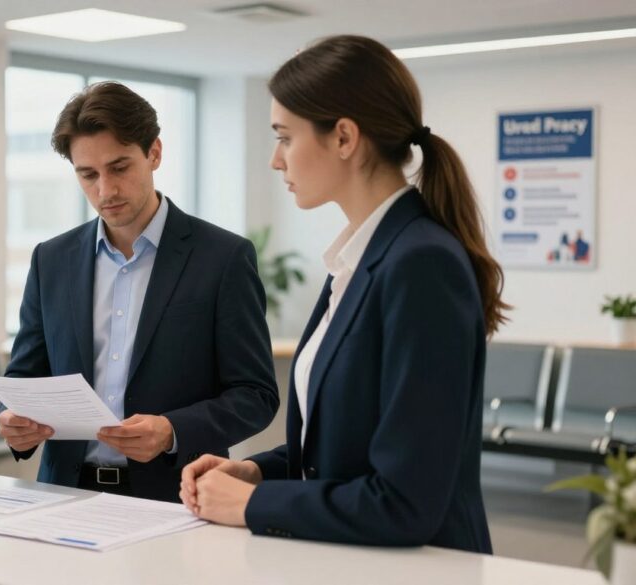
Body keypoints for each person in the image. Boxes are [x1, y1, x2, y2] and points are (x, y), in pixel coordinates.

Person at [180, 35, 509, 554]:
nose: (275, 160)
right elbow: (345, 448)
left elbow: (404, 500)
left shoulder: (420, 264)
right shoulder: (358, 261)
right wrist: (257, 473)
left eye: (284, 137)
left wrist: (248, 507)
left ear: (344, 138)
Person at [0, 81, 279, 502]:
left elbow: (255, 395)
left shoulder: (223, 257)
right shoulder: (50, 260)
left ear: (154, 153)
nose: (105, 190)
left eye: (120, 167)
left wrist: (172, 431)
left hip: (175, 498)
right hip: (63, 494)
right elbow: (25, 376)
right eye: (88, 174)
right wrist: (15, 424)